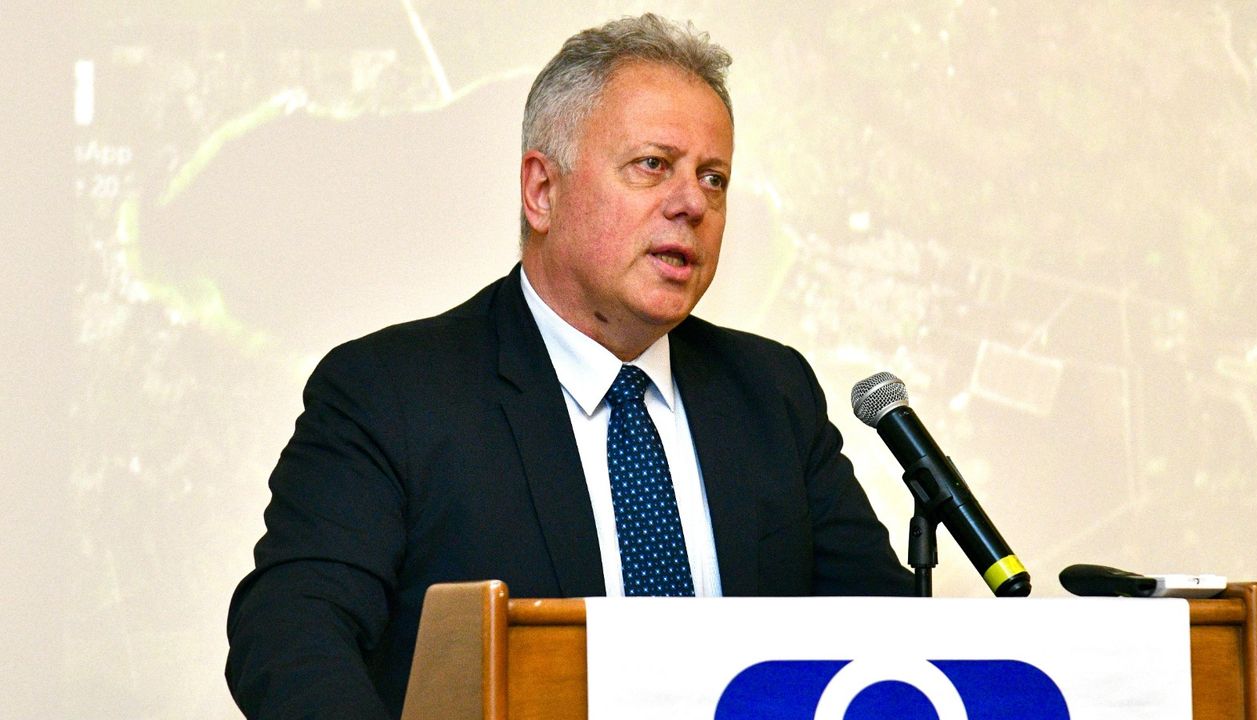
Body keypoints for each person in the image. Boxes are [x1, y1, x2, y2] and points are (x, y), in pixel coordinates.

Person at [226, 13, 912, 719]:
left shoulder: (772, 393)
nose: (692, 204)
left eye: (714, 178)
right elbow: (287, 635)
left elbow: (895, 641)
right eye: (653, 165)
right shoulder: (392, 393)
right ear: (542, 191)